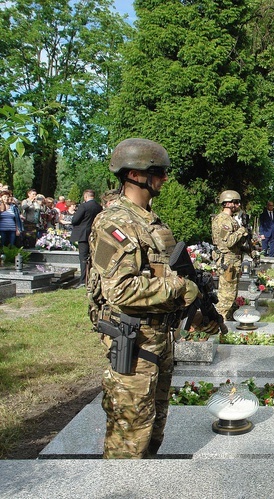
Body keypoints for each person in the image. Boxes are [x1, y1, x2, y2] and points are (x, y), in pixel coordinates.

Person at [88, 138, 203, 458]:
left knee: (153, 434)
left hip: (158, 338)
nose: (165, 178)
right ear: (136, 175)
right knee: (129, 440)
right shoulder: (114, 222)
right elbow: (120, 290)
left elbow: (160, 271)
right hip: (134, 341)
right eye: (159, 172)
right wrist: (178, 288)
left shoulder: (151, 222)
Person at [212, 190, 248, 320]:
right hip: (228, 262)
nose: (238, 205)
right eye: (236, 202)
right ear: (227, 203)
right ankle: (220, 323)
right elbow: (229, 241)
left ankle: (229, 320)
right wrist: (242, 230)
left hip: (232, 261)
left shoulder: (230, 220)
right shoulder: (224, 221)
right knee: (226, 296)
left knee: (232, 294)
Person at [71, 189, 103, 287]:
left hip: (83, 234)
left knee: (83, 258)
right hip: (95, 233)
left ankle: (83, 280)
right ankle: (93, 278)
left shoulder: (84, 206)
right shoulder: (99, 207)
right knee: (93, 257)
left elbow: (75, 220)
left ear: (85, 196)